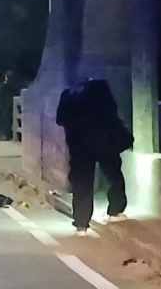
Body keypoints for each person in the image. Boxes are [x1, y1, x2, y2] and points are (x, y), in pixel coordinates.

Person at [56, 77, 132, 236]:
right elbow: (112, 111)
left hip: (79, 144)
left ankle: (81, 225)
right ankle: (115, 211)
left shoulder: (68, 94)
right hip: (105, 141)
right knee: (113, 175)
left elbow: (60, 119)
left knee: (82, 182)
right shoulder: (101, 88)